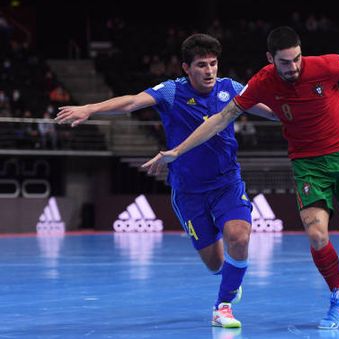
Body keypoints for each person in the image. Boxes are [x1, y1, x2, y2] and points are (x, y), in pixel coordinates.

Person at [141, 26, 339, 329]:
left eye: (297, 59)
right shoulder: (262, 81)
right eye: (285, 62)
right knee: (316, 235)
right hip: (307, 163)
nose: (293, 67)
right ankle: (338, 296)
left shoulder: (324, 65)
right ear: (271, 59)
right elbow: (220, 119)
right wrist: (177, 151)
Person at [55, 33, 277, 328]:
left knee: (239, 237)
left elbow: (272, 111)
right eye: (201, 65)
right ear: (186, 67)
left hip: (227, 183)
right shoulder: (172, 92)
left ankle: (222, 306)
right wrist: (89, 109)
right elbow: (132, 102)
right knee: (215, 264)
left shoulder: (231, 89)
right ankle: (230, 279)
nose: (209, 70)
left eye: (213, 64)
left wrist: (304, 114)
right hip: (188, 191)